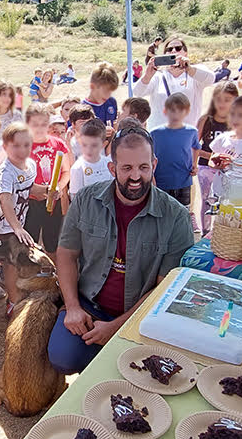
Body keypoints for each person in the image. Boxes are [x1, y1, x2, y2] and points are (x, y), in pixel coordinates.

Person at [49, 120, 195, 373]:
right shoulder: (86, 199)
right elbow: (66, 253)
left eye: (143, 167)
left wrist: (116, 327)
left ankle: (110, 357)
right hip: (88, 306)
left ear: (154, 165)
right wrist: (72, 307)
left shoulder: (177, 217)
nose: (136, 176)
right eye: (126, 168)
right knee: (62, 358)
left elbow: (165, 289)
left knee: (137, 371)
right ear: (112, 167)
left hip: (141, 315)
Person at [0, 122, 46, 309]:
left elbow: (30, 188)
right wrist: (17, 228)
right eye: (16, 146)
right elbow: (5, 200)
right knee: (10, 263)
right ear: (5, 147)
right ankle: (12, 301)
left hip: (17, 222)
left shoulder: (30, 165)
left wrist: (48, 190)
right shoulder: (6, 173)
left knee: (16, 260)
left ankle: (13, 291)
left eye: (26, 145)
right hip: (4, 224)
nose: (22, 150)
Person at [135, 36, 215, 130]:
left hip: (187, 135)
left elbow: (210, 79)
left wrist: (189, 69)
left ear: (185, 53)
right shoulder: (158, 76)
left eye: (178, 48)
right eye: (169, 49)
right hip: (159, 135)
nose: (173, 51)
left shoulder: (195, 72)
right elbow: (137, 92)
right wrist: (147, 75)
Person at [24, 103, 72, 256]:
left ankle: (53, 275)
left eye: (43, 124)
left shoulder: (57, 144)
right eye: (35, 124)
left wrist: (58, 187)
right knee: (29, 244)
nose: (39, 128)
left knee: (52, 244)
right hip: (30, 202)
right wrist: (38, 189)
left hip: (53, 201)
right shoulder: (22, 145)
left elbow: (66, 171)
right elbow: (19, 180)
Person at [195, 81, 235, 233]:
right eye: (219, 99)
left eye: (227, 99)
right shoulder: (206, 120)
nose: (223, 104)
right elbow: (194, 146)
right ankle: (206, 232)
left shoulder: (237, 121)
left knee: (226, 203)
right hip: (206, 167)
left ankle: (222, 233)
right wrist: (212, 156)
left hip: (229, 170)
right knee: (207, 201)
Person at [150, 94, 201, 206]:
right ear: (165, 111)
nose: (176, 114)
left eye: (181, 110)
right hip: (161, 182)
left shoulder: (191, 131)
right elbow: (148, 154)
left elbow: (196, 147)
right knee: (162, 214)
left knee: (183, 213)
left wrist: (194, 164)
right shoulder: (155, 133)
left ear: (187, 111)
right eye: (173, 110)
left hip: (183, 181)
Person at [69, 118, 114, 200]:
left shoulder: (109, 164)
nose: (89, 150)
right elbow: (76, 198)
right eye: (85, 145)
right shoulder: (77, 168)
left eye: (94, 145)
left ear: (104, 144)